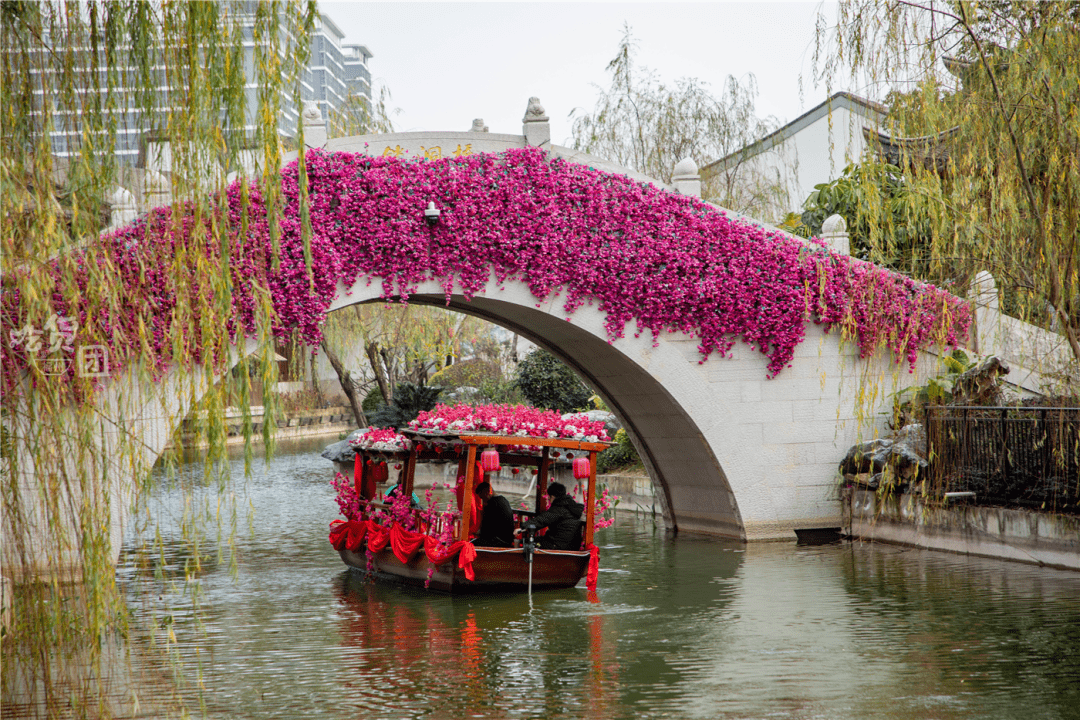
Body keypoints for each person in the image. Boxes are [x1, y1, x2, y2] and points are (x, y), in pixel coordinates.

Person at [517, 482, 584, 550]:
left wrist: (522, 527)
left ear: (552, 497)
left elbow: (542, 519)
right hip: (572, 546)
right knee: (536, 540)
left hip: (558, 546)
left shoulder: (559, 507)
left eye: (549, 498)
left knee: (527, 542)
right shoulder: (571, 506)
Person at [473, 481, 515, 548]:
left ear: (486, 492)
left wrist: (478, 533)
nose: (483, 501)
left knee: (471, 545)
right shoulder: (503, 500)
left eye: (482, 498)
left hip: (498, 541)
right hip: (508, 540)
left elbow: (485, 529)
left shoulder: (492, 504)